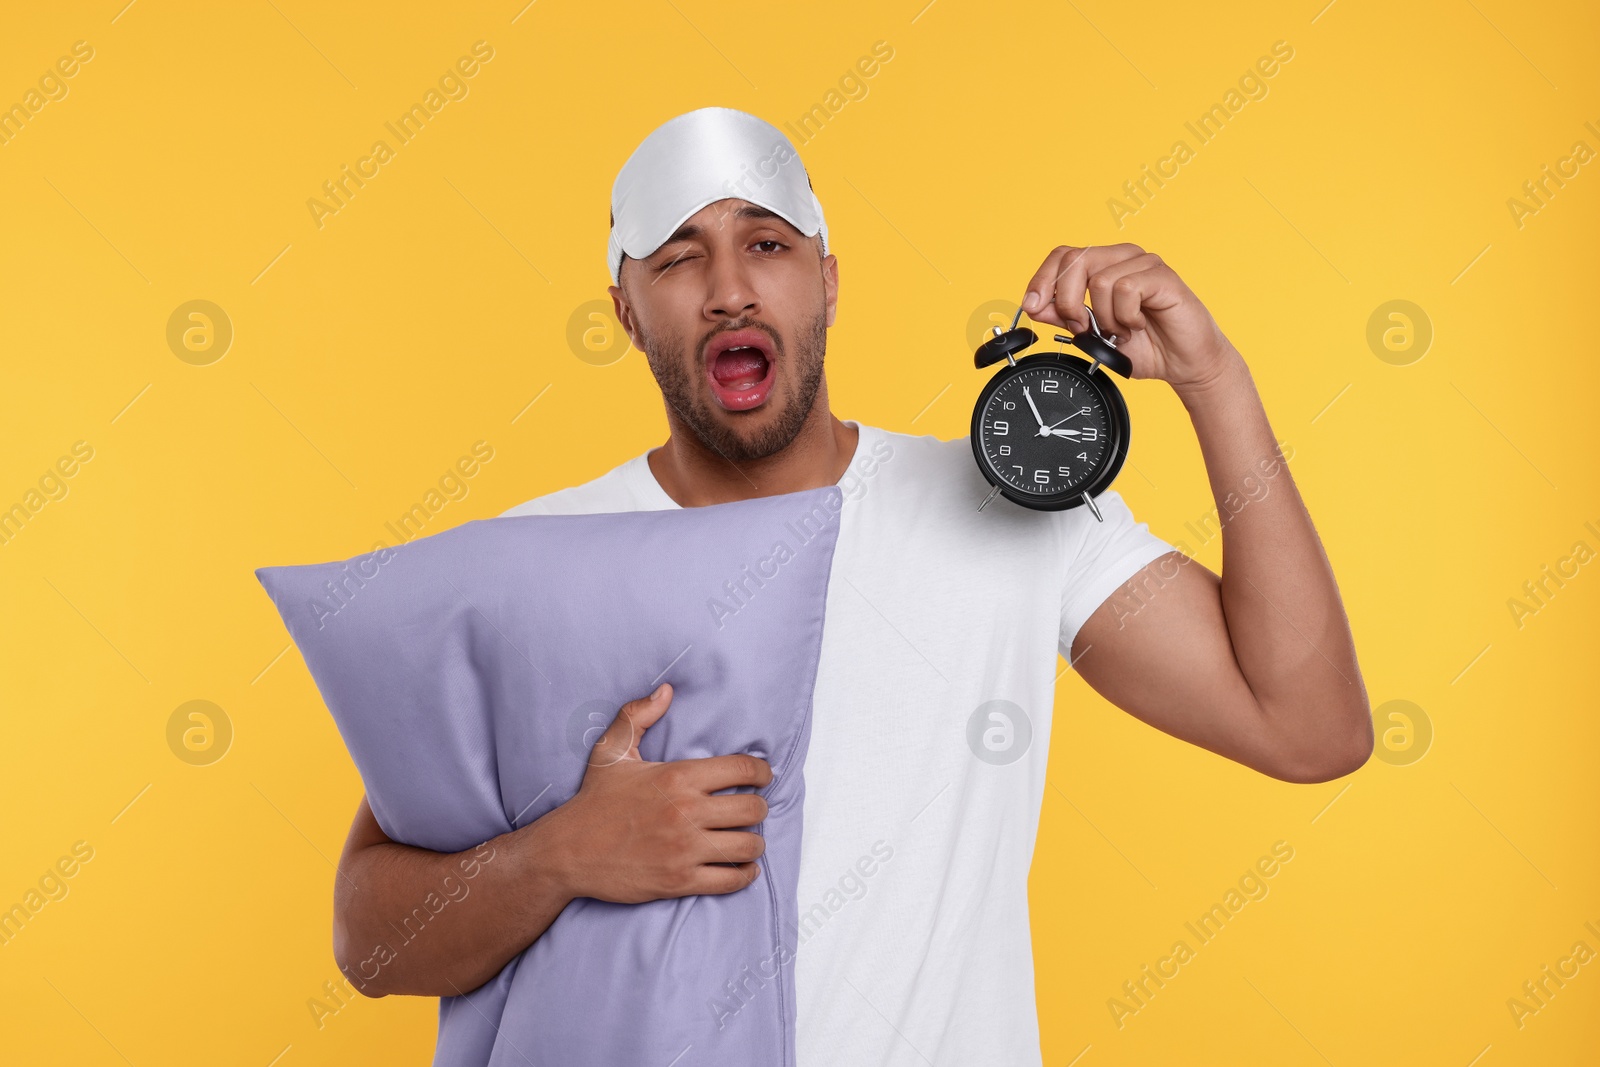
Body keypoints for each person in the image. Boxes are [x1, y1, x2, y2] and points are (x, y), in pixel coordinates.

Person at [330, 107, 1372, 1065]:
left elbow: (1307, 728)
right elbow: (370, 937)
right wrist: (558, 855)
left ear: (828, 277)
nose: (731, 286)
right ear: (625, 308)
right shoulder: (529, 562)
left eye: (767, 245)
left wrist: (1214, 380)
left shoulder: (1014, 506)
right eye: (679, 257)